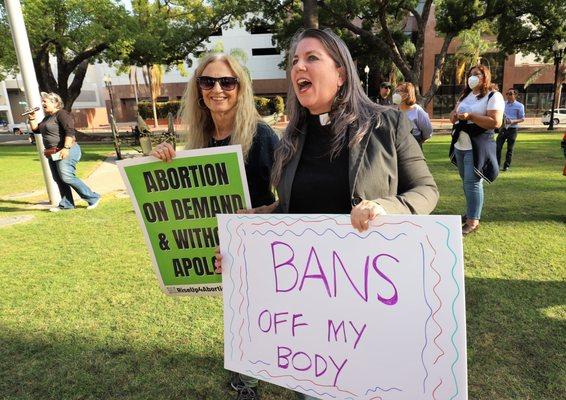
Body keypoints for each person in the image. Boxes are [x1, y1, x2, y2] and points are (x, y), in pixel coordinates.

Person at [216, 28, 438, 400]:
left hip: (373, 302)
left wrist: (383, 207)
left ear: (341, 73)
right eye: (294, 62)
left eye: (311, 58)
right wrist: (250, 229)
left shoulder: (388, 124)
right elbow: (292, 210)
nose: (298, 66)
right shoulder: (290, 140)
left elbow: (427, 191)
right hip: (317, 321)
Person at [150, 53, 279, 400]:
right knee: (238, 310)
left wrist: (260, 214)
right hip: (219, 245)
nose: (217, 89)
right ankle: (244, 373)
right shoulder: (200, 141)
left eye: (227, 82)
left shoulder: (262, 136)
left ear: (240, 87)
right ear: (198, 90)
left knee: (254, 312)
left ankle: (249, 383)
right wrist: (164, 158)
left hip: (259, 241)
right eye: (207, 82)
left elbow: (295, 193)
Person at [449, 65, 504, 235]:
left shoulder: (493, 96)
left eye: (476, 74)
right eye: (470, 75)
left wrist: (471, 117)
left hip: (477, 145)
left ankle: (473, 221)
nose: (471, 77)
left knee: (472, 183)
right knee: (466, 182)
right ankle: (471, 213)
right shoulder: (466, 95)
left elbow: (496, 122)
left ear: (484, 76)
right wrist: (454, 116)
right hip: (461, 145)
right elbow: (454, 114)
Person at [27, 92, 100, 212]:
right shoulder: (47, 117)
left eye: (45, 101)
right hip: (53, 153)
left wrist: (66, 148)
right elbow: (36, 130)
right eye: (43, 101)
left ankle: (93, 197)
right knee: (59, 179)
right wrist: (32, 117)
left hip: (66, 150)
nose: (43, 103)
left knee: (67, 177)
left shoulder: (62, 114)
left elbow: (70, 131)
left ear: (55, 103)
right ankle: (67, 204)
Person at [393, 82, 433, 147]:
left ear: (407, 94)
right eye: (396, 91)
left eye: (399, 91)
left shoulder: (417, 110)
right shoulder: (393, 110)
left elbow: (428, 131)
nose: (396, 94)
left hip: (413, 146)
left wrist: (419, 141)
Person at [496, 88, 525, 171]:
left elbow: (522, 119)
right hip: (503, 128)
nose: (508, 95)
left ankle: (506, 166)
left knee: (510, 149)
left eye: (510, 94)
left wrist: (513, 121)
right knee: (497, 147)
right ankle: (497, 165)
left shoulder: (520, 106)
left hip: (513, 129)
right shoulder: (503, 104)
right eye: (507, 93)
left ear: (515, 95)